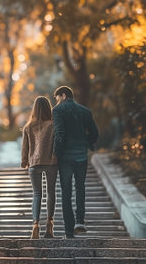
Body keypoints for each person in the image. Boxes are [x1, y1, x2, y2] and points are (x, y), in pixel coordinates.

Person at [52, 85, 99, 238]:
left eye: (57, 98)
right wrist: (87, 143)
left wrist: (56, 153)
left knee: (66, 192)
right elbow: (94, 133)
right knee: (80, 187)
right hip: (81, 156)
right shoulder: (85, 111)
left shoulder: (57, 111)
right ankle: (80, 221)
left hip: (65, 158)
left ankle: (68, 231)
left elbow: (60, 134)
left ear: (63, 95)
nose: (57, 102)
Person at [21, 96, 58, 239]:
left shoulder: (28, 126)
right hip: (51, 163)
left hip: (34, 163)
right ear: (49, 108)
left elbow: (25, 147)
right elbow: (56, 144)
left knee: (37, 194)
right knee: (51, 193)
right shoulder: (53, 125)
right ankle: (49, 225)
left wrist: (24, 161)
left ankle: (35, 225)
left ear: (34, 109)